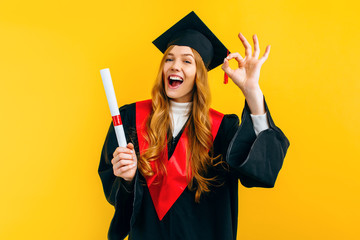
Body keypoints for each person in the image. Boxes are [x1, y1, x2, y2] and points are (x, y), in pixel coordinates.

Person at [99, 11, 289, 240]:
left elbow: (262, 173)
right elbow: (116, 195)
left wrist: (252, 93)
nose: (174, 66)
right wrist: (126, 179)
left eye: (186, 61)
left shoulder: (223, 129)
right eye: (169, 59)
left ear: (199, 74)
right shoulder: (130, 118)